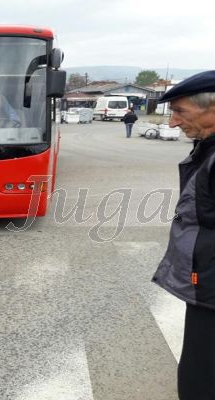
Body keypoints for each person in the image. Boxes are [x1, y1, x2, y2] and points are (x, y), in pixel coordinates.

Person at [151, 70, 215, 400]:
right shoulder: (207, 148)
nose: (173, 122)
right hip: (206, 284)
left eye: (181, 112)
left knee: (201, 378)